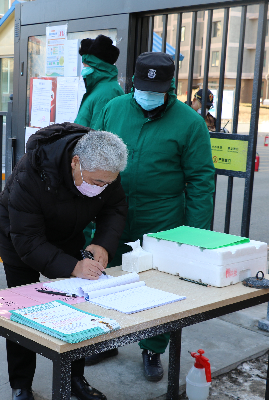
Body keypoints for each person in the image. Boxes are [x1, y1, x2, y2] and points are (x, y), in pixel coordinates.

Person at [91, 52, 215, 381]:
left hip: (162, 219)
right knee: (107, 279)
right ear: (133, 82)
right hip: (112, 213)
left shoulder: (190, 122)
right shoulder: (113, 109)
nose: (148, 95)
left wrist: (194, 236)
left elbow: (201, 181)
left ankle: (152, 347)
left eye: (156, 89)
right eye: (143, 87)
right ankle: (107, 338)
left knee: (156, 287)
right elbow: (92, 157)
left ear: (169, 87)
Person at [0, 125, 128, 400]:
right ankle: (21, 384)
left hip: (67, 230)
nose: (101, 188)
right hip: (19, 233)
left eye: (107, 183)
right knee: (22, 308)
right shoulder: (31, 172)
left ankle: (74, 377)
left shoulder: (103, 169)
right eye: (96, 182)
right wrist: (72, 266)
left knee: (77, 306)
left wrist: (103, 243)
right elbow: (28, 241)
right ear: (75, 162)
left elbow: (115, 207)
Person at [74, 35, 124, 256]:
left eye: (86, 64)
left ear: (96, 66)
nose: (83, 69)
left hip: (90, 170)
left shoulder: (106, 92)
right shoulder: (97, 89)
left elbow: (98, 140)